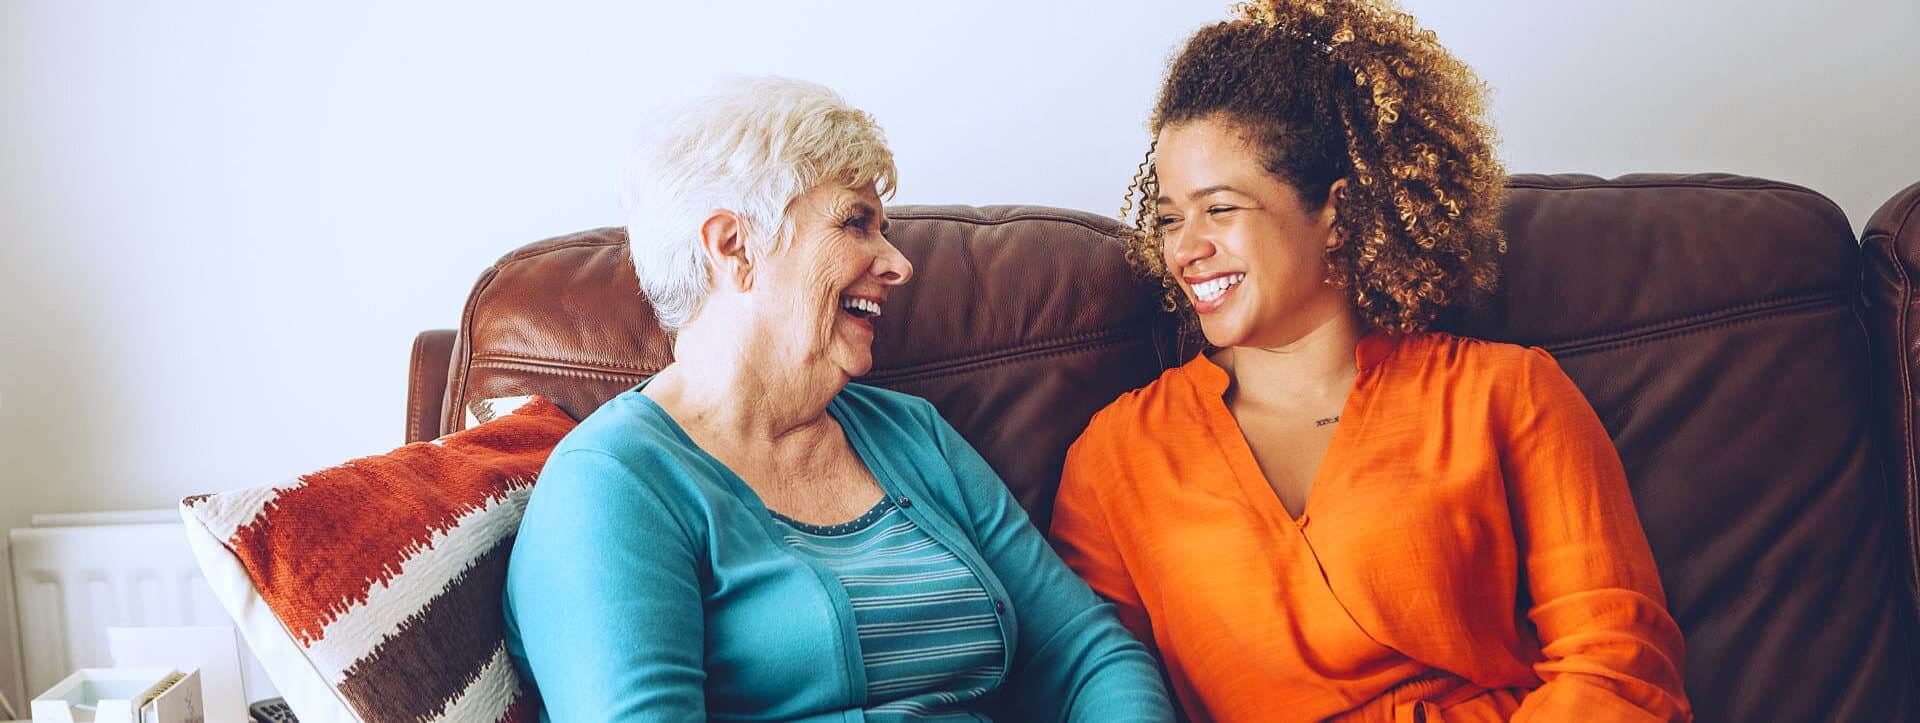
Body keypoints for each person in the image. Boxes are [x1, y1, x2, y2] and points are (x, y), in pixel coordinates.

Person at [1049, 2, 1690, 720]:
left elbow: (1617, 664)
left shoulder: (1506, 393)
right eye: (1169, 217)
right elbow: (1093, 682)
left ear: (1338, 213)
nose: (1184, 247)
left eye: (1220, 209)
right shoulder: (1116, 458)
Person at [503, 76, 1173, 722]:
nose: (898, 264)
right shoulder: (614, 485)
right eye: (856, 223)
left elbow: (1086, 652)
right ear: (734, 247)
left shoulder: (912, 434)